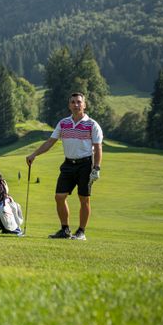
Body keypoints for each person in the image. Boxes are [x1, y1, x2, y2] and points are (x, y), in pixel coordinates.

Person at [26, 92, 103, 240]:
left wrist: (96, 168)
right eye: (73, 102)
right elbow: (50, 142)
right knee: (59, 197)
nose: (76, 105)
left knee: (84, 199)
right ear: (69, 105)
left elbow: (98, 147)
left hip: (85, 165)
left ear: (84, 105)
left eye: (79, 102)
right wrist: (34, 154)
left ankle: (81, 232)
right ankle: (65, 230)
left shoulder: (92, 124)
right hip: (68, 164)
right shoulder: (63, 123)